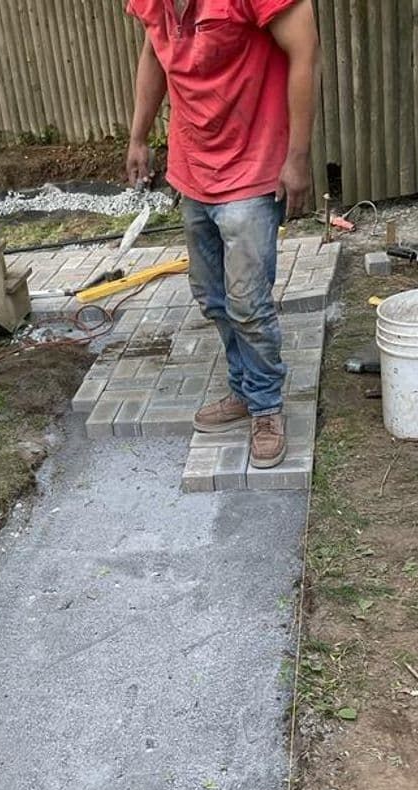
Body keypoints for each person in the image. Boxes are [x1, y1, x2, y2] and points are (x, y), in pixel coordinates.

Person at [125, 0, 320, 469]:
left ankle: (266, 406)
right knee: (212, 297)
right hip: (193, 167)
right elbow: (154, 52)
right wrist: (138, 136)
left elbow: (306, 53)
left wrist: (297, 158)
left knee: (248, 303)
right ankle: (245, 389)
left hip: (253, 165)